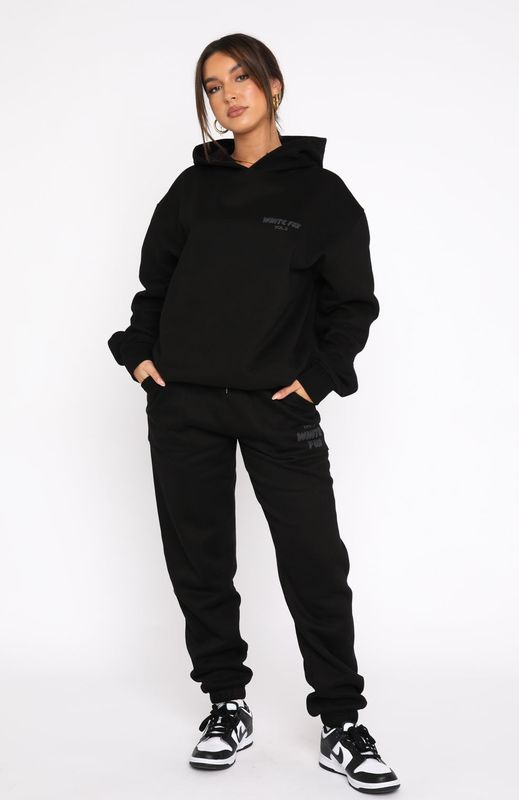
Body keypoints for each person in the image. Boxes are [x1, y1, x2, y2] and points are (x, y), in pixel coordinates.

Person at [107, 32, 400, 793]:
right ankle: (225, 704)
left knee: (314, 562)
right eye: (212, 86)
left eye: (240, 78)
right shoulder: (190, 190)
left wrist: (316, 380)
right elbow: (154, 288)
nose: (227, 95)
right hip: (185, 408)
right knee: (200, 562)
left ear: (273, 86)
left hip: (277, 411)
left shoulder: (321, 196)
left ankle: (341, 720)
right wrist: (142, 357)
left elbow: (352, 305)